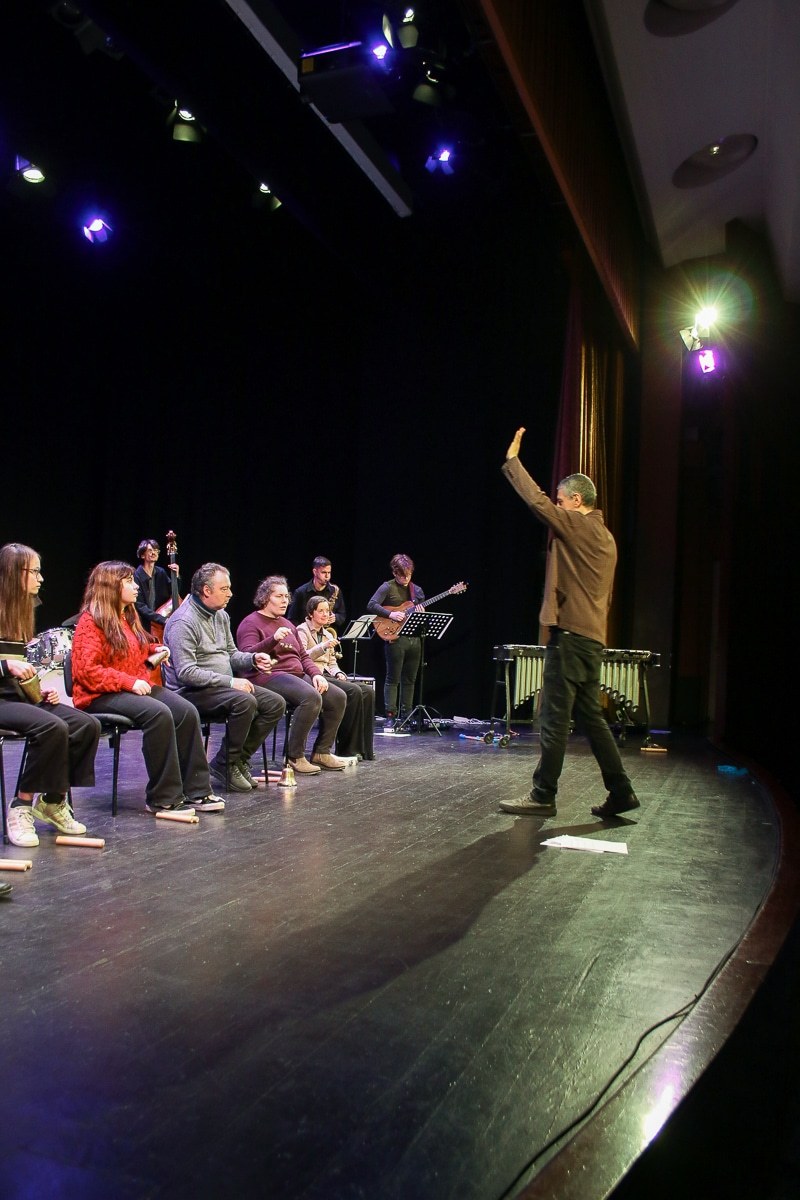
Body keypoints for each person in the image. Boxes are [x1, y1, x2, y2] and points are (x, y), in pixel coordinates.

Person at [499, 427, 639, 819]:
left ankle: (543, 794)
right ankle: (621, 791)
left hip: (572, 637)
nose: (558, 508)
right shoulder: (607, 538)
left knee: (554, 718)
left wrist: (513, 461)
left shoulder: (579, 525)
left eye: (563, 501)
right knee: (591, 719)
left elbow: (538, 502)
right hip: (592, 638)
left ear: (577, 500)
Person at [71, 561, 225, 813]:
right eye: (129, 581)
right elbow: (86, 671)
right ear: (110, 586)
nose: (136, 587)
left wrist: (155, 649)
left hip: (130, 687)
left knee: (186, 711)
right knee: (158, 714)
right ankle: (163, 797)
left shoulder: (126, 616)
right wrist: (129, 682)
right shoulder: (91, 622)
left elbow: (135, 649)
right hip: (99, 694)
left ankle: (197, 791)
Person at [0, 542, 100, 849]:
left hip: (14, 696)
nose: (41, 579)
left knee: (86, 725)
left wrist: (37, 689)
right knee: (51, 727)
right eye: (35, 572)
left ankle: (53, 801)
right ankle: (21, 805)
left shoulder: (21, 611)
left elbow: (19, 669)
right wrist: (5, 666)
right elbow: (8, 665)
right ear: (14, 573)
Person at [162, 563, 285, 794]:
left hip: (219, 689)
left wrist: (253, 659)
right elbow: (186, 673)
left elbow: (231, 654)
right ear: (206, 591)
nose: (230, 594)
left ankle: (232, 760)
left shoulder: (221, 616)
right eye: (224, 589)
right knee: (244, 701)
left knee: (274, 703)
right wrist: (230, 682)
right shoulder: (183, 622)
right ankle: (227, 763)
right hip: (190, 693)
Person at [236, 576, 347, 774]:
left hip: (295, 674)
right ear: (265, 598)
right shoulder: (250, 623)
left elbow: (303, 656)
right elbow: (246, 656)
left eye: (286, 597)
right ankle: (295, 756)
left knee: (337, 696)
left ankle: (322, 752)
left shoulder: (287, 623)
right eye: (279, 596)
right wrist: (272, 639)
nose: (285, 601)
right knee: (311, 697)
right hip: (268, 675)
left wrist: (316, 674)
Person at [295, 595, 375, 760]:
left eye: (327, 611)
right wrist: (322, 647)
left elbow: (332, 663)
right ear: (310, 613)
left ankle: (363, 748)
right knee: (353, 691)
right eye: (321, 611)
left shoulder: (327, 634)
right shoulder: (302, 630)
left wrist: (339, 673)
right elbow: (301, 658)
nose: (325, 614)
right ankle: (347, 749)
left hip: (327, 674)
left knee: (367, 691)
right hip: (311, 675)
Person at [367, 554, 425, 727]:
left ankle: (407, 714)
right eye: (402, 575)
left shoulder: (417, 590)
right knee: (393, 678)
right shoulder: (387, 587)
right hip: (395, 639)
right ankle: (390, 715)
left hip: (414, 639)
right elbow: (371, 604)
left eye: (409, 575)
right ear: (395, 573)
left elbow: (421, 617)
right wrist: (390, 614)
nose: (406, 579)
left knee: (410, 679)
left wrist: (422, 614)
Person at [287, 557, 347, 632]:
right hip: (307, 634)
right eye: (324, 572)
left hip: (328, 634)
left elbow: (342, 615)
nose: (327, 576)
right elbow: (292, 619)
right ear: (315, 572)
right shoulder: (300, 592)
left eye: (329, 573)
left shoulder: (335, 590)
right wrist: (303, 631)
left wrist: (336, 618)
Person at [133, 538, 179, 634]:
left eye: (156, 550)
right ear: (142, 555)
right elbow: (140, 605)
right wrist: (162, 619)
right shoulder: (136, 576)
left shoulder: (161, 572)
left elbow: (174, 592)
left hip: (159, 624)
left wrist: (176, 576)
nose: (153, 553)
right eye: (150, 550)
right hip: (143, 623)